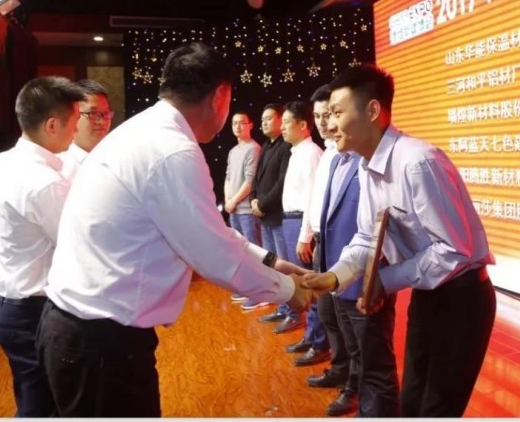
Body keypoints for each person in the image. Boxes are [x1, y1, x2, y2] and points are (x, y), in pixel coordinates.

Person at [37, 42, 313, 417]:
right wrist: (289, 290)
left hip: (81, 330)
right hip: (100, 342)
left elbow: (206, 231)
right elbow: (214, 255)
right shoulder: (173, 150)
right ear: (219, 96)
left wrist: (271, 262)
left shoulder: (145, 130)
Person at [303, 64, 497, 417]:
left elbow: (454, 252)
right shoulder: (366, 166)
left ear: (372, 111)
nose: (329, 124)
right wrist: (335, 276)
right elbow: (367, 236)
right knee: (411, 404)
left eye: (337, 113)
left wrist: (384, 281)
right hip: (428, 296)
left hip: (462, 300)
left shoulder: (417, 162)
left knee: (437, 408)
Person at [0, 76, 85, 416]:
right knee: (45, 409)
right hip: (33, 312)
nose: (77, 130)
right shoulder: (44, 182)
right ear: (52, 125)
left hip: (9, 306)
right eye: (75, 121)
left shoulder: (3, 161)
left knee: (34, 403)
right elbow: (80, 245)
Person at [315, 146, 400, 417]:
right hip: (341, 271)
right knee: (355, 350)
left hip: (367, 279)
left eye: (337, 121)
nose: (329, 125)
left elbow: (383, 232)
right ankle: (357, 396)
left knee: (375, 362)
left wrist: (382, 281)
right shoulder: (335, 161)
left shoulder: (381, 162)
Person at [273, 100, 323, 336]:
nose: (281, 127)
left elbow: (313, 197)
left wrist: (305, 236)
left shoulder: (311, 153)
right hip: (290, 220)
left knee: (308, 280)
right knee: (297, 278)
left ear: (302, 125)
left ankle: (316, 337)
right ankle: (310, 333)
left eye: (286, 122)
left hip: (301, 221)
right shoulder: (297, 153)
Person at [253, 104, 293, 324]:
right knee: (270, 266)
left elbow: (282, 182)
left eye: (269, 118)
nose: (264, 123)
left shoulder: (285, 146)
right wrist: (253, 199)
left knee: (282, 265)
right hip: (264, 216)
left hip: (277, 216)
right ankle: (281, 307)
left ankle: (292, 312)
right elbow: (257, 179)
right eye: (263, 120)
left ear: (280, 121)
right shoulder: (266, 147)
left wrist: (263, 204)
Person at [223, 111, 263, 306]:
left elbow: (250, 181)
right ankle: (249, 289)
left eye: (241, 123)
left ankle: (260, 293)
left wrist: (234, 201)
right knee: (240, 253)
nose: (237, 127)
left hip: (246, 211)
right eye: (234, 123)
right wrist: (227, 199)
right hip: (234, 210)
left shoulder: (253, 148)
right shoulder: (233, 151)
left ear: (250, 125)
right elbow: (228, 177)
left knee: (253, 253)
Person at [59, 79, 113, 181]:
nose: (102, 121)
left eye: (106, 113)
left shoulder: (116, 157)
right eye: (93, 114)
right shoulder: (62, 169)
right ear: (72, 116)